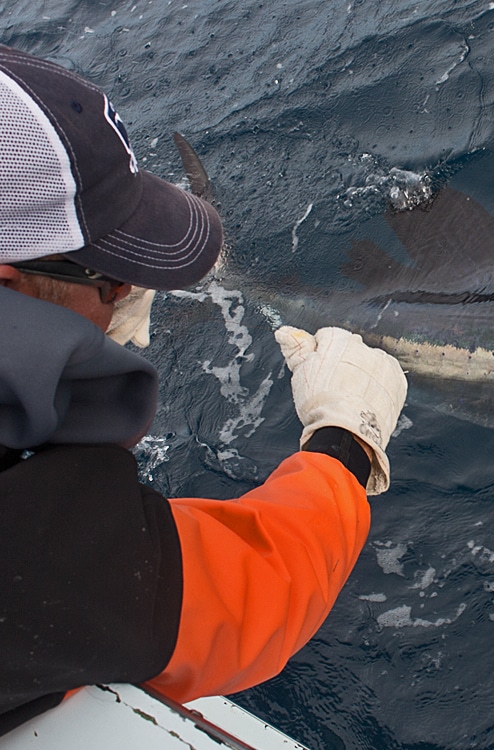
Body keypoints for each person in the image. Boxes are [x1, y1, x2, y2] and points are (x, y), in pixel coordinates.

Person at [0, 44, 407, 734]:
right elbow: (248, 597)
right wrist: (345, 437)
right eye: (111, 280)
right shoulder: (33, 559)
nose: (126, 298)